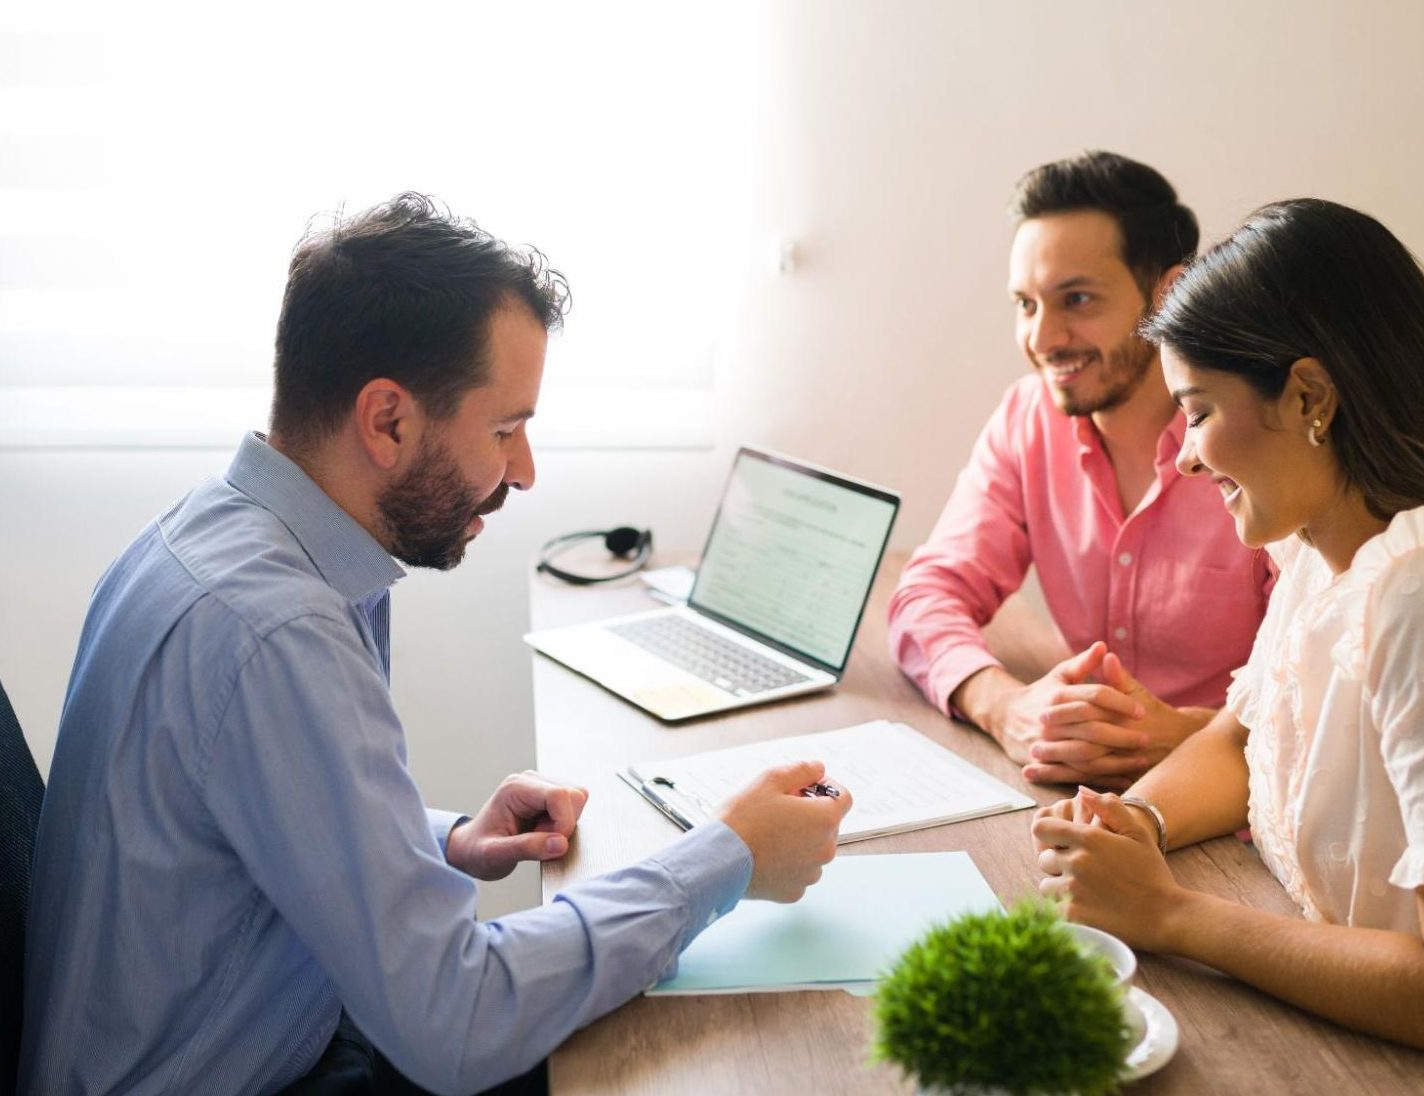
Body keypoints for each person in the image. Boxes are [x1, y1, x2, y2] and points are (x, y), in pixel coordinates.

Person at [19, 194, 852, 1096]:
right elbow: (457, 1023)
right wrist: (727, 857)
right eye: (504, 430)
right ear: (387, 421)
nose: (524, 470)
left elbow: (222, 821)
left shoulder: (209, 536)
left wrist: (441, 840)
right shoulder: (278, 629)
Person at [1033, 198, 1424, 1094]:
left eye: (1197, 412)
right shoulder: (1326, 552)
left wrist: (1170, 914)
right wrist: (1140, 824)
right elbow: (1242, 739)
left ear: (1311, 397)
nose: (1186, 459)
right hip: (1355, 1050)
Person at [887, 150, 1272, 788]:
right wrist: (1002, 705)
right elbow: (928, 594)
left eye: (1077, 299)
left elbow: (1334, 688)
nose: (1043, 338)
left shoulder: (1261, 436)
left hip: (1246, 807)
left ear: (1168, 292)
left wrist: (1186, 735)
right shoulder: (1028, 417)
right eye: (1026, 304)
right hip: (1083, 792)